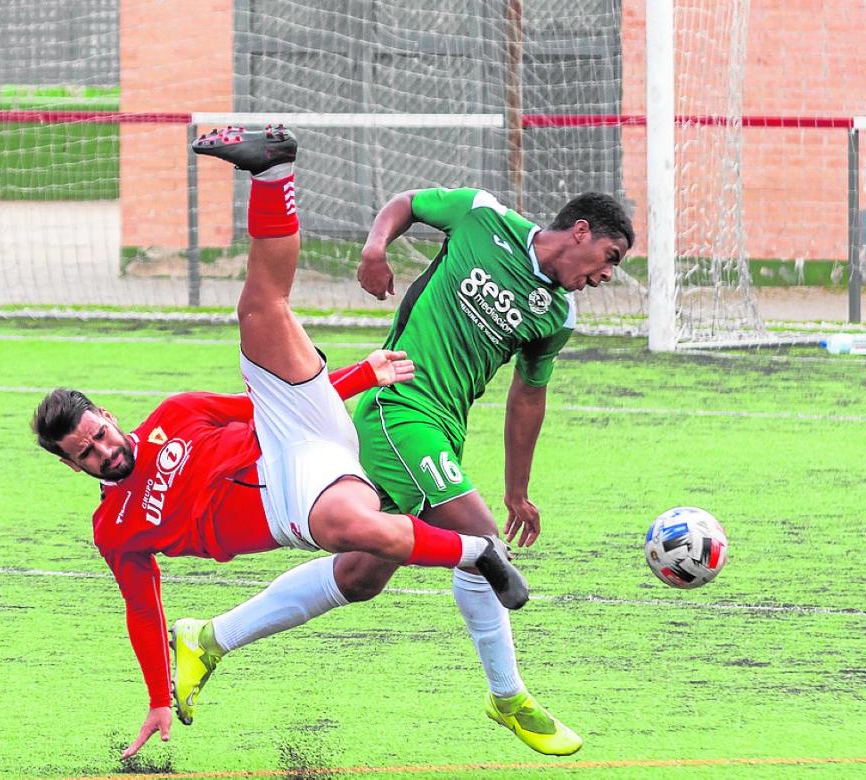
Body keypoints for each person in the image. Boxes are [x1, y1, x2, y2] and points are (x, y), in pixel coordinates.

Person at [33, 126, 528, 759]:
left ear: (106, 416)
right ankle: (476, 553)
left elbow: (261, 404)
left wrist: (360, 375)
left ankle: (272, 172)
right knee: (355, 530)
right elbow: (142, 608)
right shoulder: (115, 529)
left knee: (261, 309)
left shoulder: (175, 415)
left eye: (99, 435)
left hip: (290, 429)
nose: (104, 451)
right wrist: (158, 696)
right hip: (287, 498)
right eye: (87, 453)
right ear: (72, 465)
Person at [173, 186, 634, 757]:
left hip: (444, 431)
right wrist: (375, 248)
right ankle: (508, 696)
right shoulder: (482, 216)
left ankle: (209, 638)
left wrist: (519, 491)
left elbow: (527, 398)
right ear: (581, 231)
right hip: (400, 408)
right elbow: (408, 204)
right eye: (610, 258)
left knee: (360, 577)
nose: (606, 275)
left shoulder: (557, 315)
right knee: (481, 542)